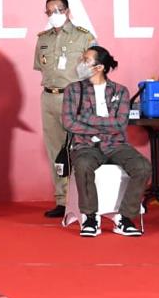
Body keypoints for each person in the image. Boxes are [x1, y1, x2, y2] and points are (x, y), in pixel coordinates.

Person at [62, 46, 151, 238]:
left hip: (116, 145)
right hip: (85, 145)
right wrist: (103, 126)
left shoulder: (120, 91)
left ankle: (125, 218)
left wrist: (86, 118)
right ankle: (90, 217)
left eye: (86, 60)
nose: (80, 63)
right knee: (83, 164)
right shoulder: (73, 90)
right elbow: (69, 122)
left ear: (99, 67)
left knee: (142, 166)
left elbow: (120, 124)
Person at [33, 0, 95, 219]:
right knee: (55, 151)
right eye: (49, 12)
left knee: (79, 150)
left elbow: (94, 70)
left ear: (67, 11)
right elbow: (41, 67)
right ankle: (62, 200)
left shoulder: (84, 37)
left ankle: (83, 200)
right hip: (49, 97)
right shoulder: (43, 39)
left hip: (74, 97)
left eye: (57, 10)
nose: (53, 15)